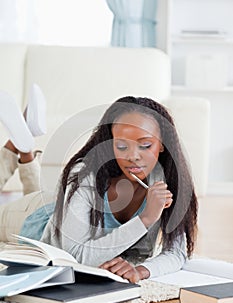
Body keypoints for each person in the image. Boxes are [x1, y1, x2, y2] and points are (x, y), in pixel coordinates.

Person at [0, 96, 198, 283]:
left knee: (49, 195)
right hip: (32, 220)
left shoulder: (169, 181)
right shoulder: (85, 175)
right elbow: (75, 256)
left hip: (63, 208)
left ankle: (24, 146)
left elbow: (177, 253)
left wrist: (141, 270)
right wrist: (145, 219)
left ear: (162, 145)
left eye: (145, 145)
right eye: (121, 146)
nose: (133, 156)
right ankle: (17, 146)